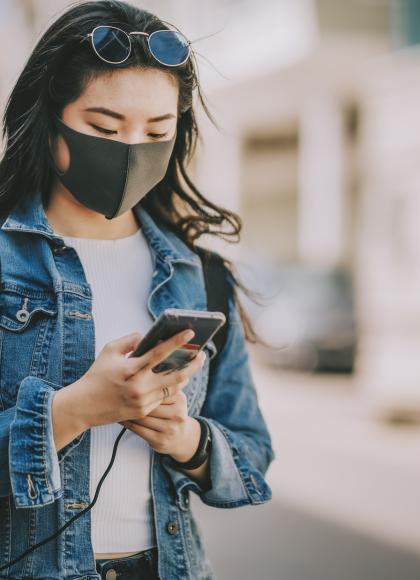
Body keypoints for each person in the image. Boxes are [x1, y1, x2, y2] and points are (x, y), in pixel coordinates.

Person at [0, 1, 275, 579]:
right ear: (50, 121)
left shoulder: (200, 275)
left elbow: (251, 453)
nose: (131, 150)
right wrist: (74, 411)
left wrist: (188, 439)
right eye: (104, 128)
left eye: (156, 131)